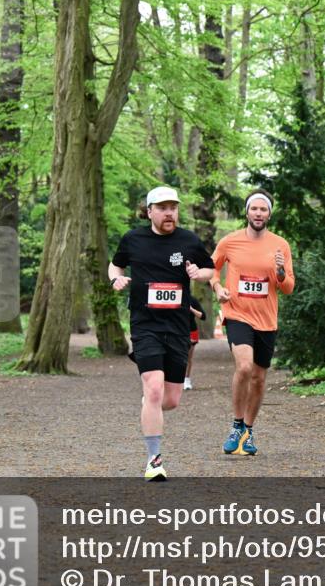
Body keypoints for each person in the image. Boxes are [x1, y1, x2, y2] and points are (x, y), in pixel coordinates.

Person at [109, 186, 214, 480]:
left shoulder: (188, 240)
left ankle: (149, 408)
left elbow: (210, 270)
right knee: (153, 387)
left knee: (170, 400)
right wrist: (115, 280)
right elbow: (115, 265)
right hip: (145, 324)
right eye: (163, 207)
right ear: (150, 211)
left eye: (173, 207)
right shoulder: (133, 239)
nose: (170, 213)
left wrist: (199, 274)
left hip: (178, 327)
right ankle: (154, 461)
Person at [209, 188, 295, 456]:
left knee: (258, 378)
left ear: (269, 214)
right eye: (254, 208)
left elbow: (288, 287)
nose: (258, 213)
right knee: (244, 367)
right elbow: (211, 266)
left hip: (266, 320)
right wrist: (216, 286)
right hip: (237, 314)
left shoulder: (280, 245)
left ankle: (248, 430)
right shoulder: (229, 242)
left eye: (263, 209)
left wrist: (280, 272)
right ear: (246, 212)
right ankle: (236, 425)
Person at [183, 295, 205, 391]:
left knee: (188, 357)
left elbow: (203, 316)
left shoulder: (192, 300)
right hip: (177, 330)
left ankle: (186, 380)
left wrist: (191, 309)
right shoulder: (174, 296)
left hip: (191, 330)